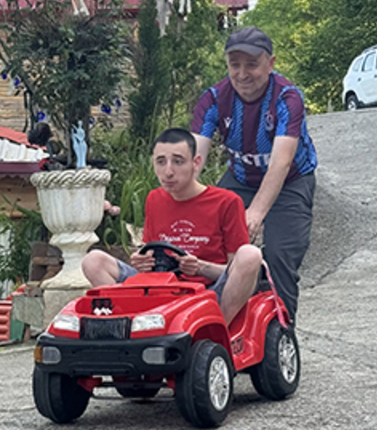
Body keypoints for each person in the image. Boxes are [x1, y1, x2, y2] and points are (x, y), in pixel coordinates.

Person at [191, 26, 317, 323]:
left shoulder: (288, 98)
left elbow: (281, 163)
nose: (243, 74)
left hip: (291, 182)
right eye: (235, 65)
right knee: (209, 248)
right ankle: (217, 325)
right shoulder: (213, 99)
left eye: (252, 64)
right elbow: (194, 159)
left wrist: (256, 213)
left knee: (279, 256)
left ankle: (281, 336)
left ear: (270, 63)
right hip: (240, 179)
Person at [81, 128, 263, 325]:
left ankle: (219, 327)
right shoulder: (154, 199)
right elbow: (152, 252)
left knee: (250, 255)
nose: (168, 172)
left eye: (178, 162)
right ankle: (129, 322)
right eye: (161, 162)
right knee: (93, 260)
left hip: (207, 293)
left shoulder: (226, 202)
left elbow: (235, 270)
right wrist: (141, 260)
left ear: (196, 163)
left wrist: (201, 267)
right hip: (161, 289)